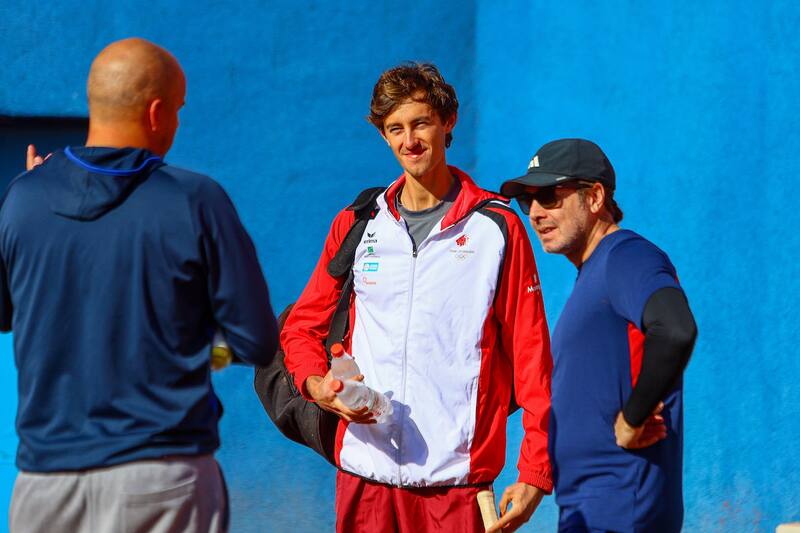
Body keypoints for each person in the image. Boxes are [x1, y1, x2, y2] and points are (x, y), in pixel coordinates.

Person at [0, 38, 278, 533]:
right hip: (163, 476)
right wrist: (200, 351)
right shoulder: (196, 201)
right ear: (155, 112)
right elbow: (253, 341)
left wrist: (32, 200)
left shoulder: (22, 200)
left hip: (44, 482)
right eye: (176, 110)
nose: (176, 123)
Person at [281, 63, 553, 533]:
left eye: (421, 122)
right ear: (384, 136)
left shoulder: (497, 229)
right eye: (395, 128)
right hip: (365, 478)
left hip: (457, 486)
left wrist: (535, 471)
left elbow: (533, 360)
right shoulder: (358, 223)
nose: (409, 141)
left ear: (447, 121)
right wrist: (317, 385)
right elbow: (303, 325)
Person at [500, 138, 697, 533]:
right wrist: (535, 483)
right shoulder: (593, 274)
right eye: (528, 202)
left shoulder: (625, 256)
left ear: (594, 197)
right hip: (590, 509)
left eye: (550, 196)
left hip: (622, 507)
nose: (535, 213)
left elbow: (675, 329)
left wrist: (632, 417)